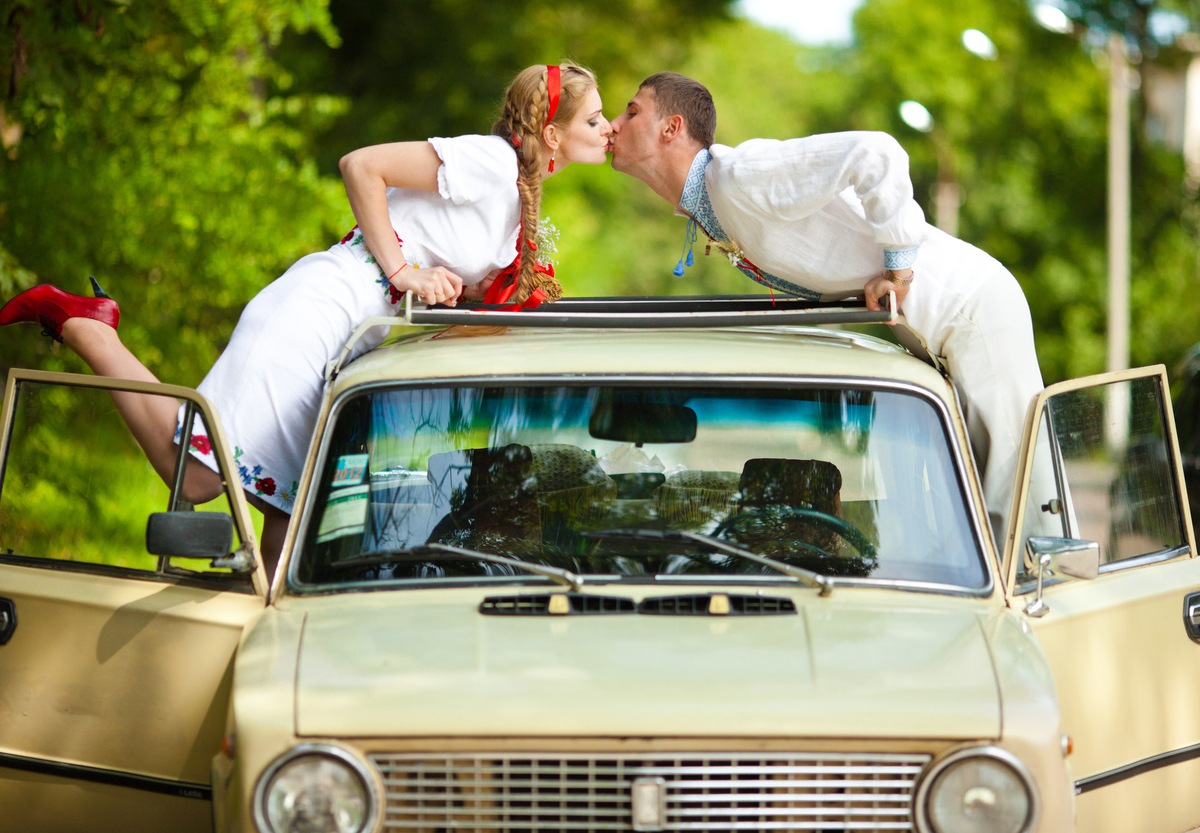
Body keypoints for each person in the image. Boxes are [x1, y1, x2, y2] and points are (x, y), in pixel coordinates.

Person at [0, 63, 612, 577]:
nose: (606, 129)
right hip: (324, 304)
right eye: (594, 119)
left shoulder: (516, 197)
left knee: (293, 528)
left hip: (354, 344)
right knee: (195, 480)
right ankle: (86, 325)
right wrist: (403, 271)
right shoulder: (490, 161)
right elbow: (360, 165)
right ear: (551, 133)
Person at [607, 71, 1044, 546]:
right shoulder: (712, 201)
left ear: (671, 128)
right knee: (968, 507)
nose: (613, 124)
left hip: (970, 306)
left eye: (630, 111)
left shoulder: (738, 174)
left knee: (1021, 507)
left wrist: (898, 270)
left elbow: (876, 152)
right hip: (933, 334)